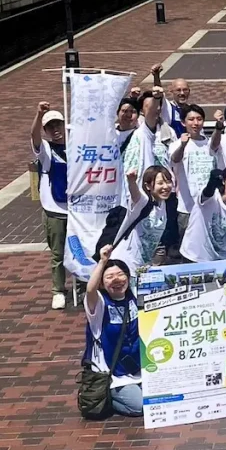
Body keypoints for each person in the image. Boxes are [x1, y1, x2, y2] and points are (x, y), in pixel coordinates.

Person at [83, 245, 142, 416]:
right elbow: (90, 289)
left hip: (138, 368)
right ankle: (105, 398)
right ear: (102, 282)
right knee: (140, 407)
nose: (116, 280)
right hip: (113, 375)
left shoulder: (134, 298)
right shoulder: (99, 304)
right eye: (109, 277)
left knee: (159, 400)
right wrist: (102, 261)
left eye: (120, 274)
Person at [31, 101, 68, 309]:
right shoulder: (45, 149)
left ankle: (82, 287)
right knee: (58, 253)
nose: (56, 130)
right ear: (45, 130)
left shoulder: (77, 146)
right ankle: (58, 290)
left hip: (78, 210)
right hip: (55, 211)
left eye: (58, 125)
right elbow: (34, 138)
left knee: (81, 252)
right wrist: (38, 115)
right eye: (50, 127)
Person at [179, 166, 226, 263]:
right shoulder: (212, 197)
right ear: (224, 181)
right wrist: (211, 184)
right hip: (194, 255)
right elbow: (206, 194)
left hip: (219, 259)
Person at [111, 166, 174, 274]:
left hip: (142, 266)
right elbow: (136, 195)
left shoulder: (162, 204)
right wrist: (131, 181)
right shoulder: (143, 202)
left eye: (168, 182)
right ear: (148, 186)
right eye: (160, 183)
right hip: (124, 263)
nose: (166, 186)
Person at [169, 103, 214, 242]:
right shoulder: (176, 144)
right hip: (187, 208)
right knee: (188, 248)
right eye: (191, 119)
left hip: (211, 205)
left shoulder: (211, 143)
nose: (196, 123)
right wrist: (183, 145)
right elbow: (174, 160)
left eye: (199, 119)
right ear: (183, 122)